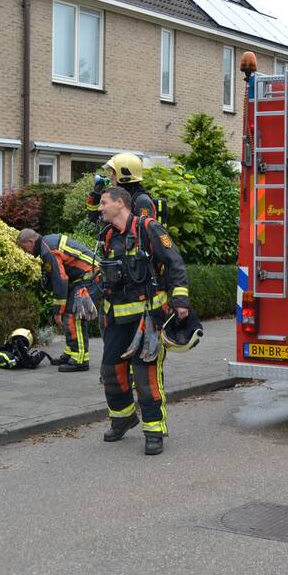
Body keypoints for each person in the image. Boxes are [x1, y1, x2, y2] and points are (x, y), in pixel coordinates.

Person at [96, 187, 189, 456]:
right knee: (110, 371)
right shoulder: (108, 235)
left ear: (121, 203)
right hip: (116, 318)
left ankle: (153, 430)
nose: (100, 208)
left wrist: (180, 301)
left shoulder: (149, 229)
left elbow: (175, 263)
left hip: (147, 318)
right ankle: (123, 418)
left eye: (104, 203)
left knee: (145, 374)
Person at [16, 229, 99, 372]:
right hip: (83, 279)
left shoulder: (48, 250)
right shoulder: (46, 244)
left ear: (31, 241)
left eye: (25, 248)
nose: (26, 252)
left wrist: (57, 311)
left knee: (73, 315)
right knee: (69, 314)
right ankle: (70, 353)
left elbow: (60, 279)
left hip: (91, 278)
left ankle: (80, 360)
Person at [85, 152, 167, 225]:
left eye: (114, 172)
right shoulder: (121, 197)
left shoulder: (142, 202)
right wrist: (96, 194)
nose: (111, 176)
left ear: (125, 175)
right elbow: (97, 221)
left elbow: (144, 235)